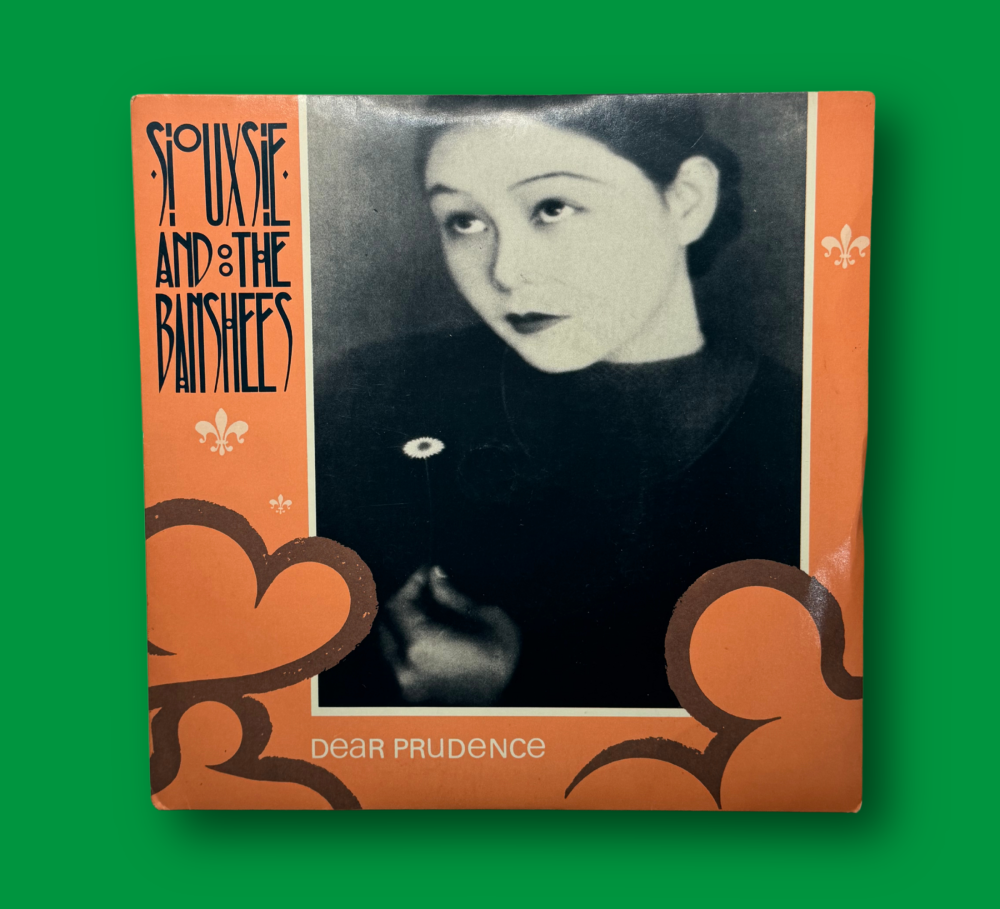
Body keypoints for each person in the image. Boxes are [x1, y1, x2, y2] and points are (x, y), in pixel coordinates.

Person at [315, 95, 801, 709]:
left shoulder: (797, 442)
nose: (506, 271)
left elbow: (780, 730)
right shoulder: (365, 395)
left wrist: (508, 689)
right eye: (464, 221)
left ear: (686, 200)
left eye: (552, 207)